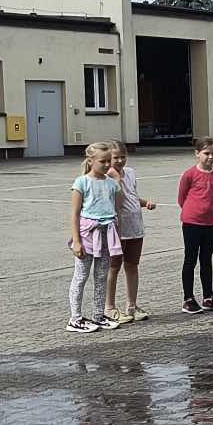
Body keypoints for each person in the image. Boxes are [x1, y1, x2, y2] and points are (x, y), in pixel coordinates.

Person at [68, 142, 122, 332]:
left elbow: (116, 210)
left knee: (101, 276)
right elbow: (74, 214)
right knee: (81, 276)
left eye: (109, 161)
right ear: (90, 161)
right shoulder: (81, 182)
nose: (107, 165)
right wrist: (76, 241)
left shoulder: (111, 184)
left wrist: (117, 235)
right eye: (102, 161)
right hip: (87, 235)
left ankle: (98, 315)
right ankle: (75, 318)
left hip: (107, 234)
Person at [103, 142, 157, 324]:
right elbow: (111, 199)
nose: (119, 161)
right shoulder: (106, 177)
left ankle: (131, 305)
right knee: (113, 267)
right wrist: (114, 178)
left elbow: (132, 196)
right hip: (118, 229)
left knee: (132, 265)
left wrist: (145, 203)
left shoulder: (131, 173)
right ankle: (109, 307)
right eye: (115, 158)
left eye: (122, 157)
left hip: (135, 227)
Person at [177, 138, 213, 314]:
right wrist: (193, 212)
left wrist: (211, 212)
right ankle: (188, 298)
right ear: (197, 154)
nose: (210, 157)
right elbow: (181, 197)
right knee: (190, 259)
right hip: (192, 222)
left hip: (210, 222)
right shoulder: (189, 174)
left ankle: (208, 296)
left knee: (206, 259)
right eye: (206, 153)